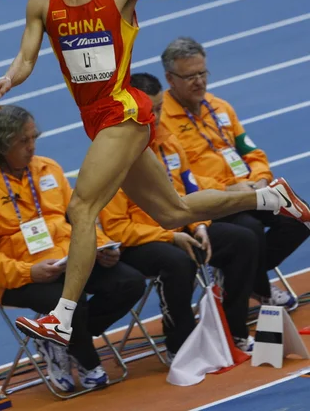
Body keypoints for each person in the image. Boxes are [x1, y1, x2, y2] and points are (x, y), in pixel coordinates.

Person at [0, 0, 310, 348]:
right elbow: (27, 55)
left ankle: (62, 316)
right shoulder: (42, 0)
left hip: (124, 109)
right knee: (174, 212)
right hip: (95, 118)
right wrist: (9, 78)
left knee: (81, 209)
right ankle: (271, 197)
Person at [0, 105, 146, 391]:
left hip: (68, 261)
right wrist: (29, 271)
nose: (32, 147)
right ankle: (88, 360)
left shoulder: (49, 168)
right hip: (21, 277)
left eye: (34, 138)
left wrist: (103, 245)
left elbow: (79, 216)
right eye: (23, 141)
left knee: (129, 282)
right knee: (70, 300)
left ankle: (54, 338)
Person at [100, 72, 260, 361]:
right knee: (178, 261)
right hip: (141, 242)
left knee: (243, 240)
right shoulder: (111, 158)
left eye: (160, 108)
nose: (157, 117)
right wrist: (170, 236)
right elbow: (116, 228)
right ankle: (181, 345)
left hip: (180, 227)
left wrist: (199, 225)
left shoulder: (169, 144)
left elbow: (191, 192)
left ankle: (234, 329)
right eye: (151, 111)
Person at [160, 36, 310, 307]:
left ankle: (246, 278)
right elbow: (181, 178)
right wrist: (227, 189)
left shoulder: (220, 107)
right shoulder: (162, 122)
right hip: (211, 202)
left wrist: (259, 179)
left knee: (299, 216)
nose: (199, 82)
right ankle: (257, 287)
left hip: (249, 191)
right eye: (190, 76)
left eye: (202, 73)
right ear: (170, 79)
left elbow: (251, 152)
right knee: (249, 231)